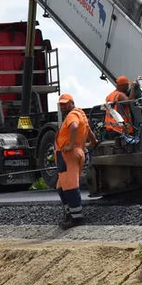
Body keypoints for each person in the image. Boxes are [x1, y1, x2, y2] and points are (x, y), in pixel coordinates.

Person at [55, 93, 97, 229]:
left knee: (70, 186)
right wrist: (94, 140)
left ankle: (77, 218)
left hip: (69, 154)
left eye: (65, 104)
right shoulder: (81, 114)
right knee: (61, 186)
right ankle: (70, 213)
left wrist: (71, 144)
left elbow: (74, 126)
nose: (63, 106)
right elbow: (88, 129)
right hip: (75, 153)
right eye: (61, 104)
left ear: (71, 103)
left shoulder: (72, 115)